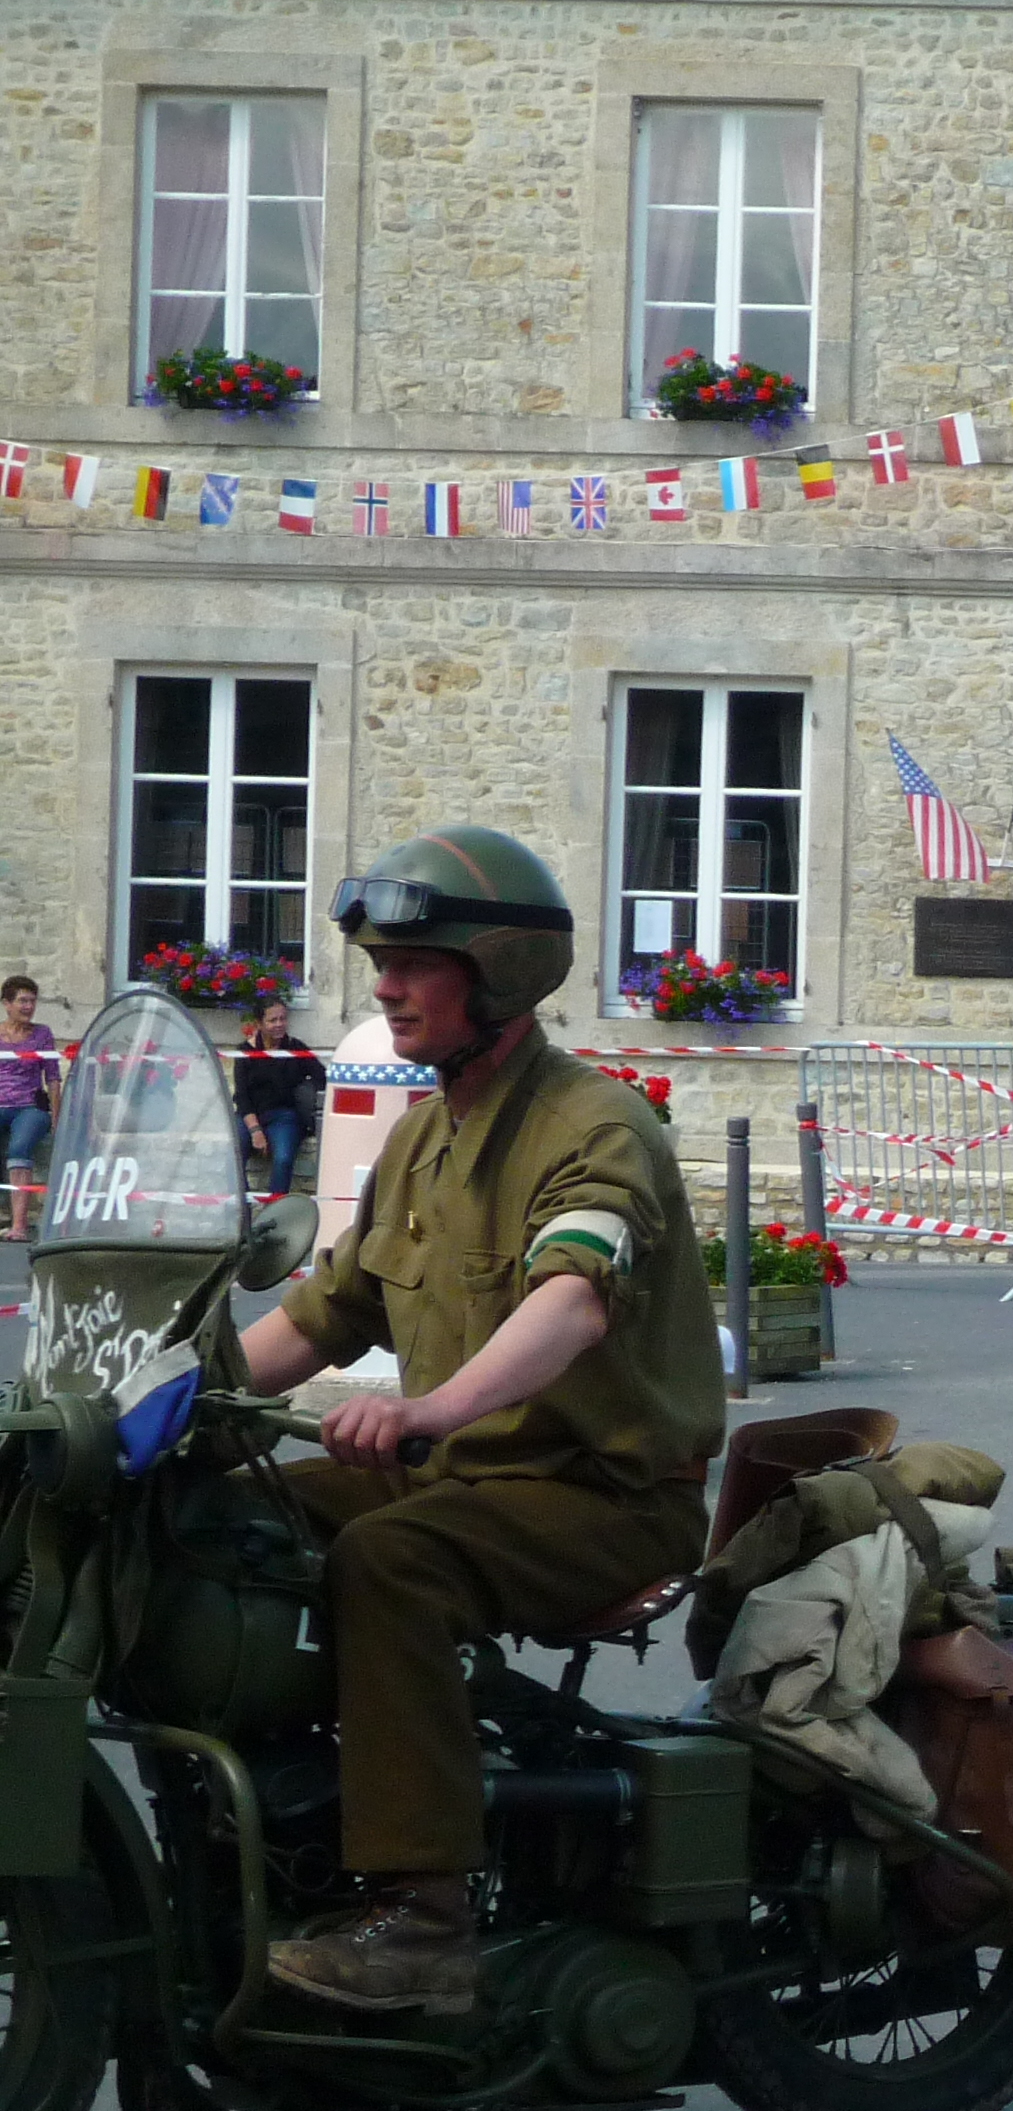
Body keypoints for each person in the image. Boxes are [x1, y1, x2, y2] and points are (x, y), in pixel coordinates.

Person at [233, 828, 724, 2010]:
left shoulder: (595, 1128)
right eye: (381, 963)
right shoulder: (423, 1138)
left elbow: (573, 1301)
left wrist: (430, 1407)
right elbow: (321, 1316)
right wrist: (147, 1397)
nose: (387, 987)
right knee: (229, 1518)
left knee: (390, 1562)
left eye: (415, 963)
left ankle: (424, 1917)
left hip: (600, 1495)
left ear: (497, 973)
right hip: (461, 1476)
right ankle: (280, 1818)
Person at [234, 997, 324, 1201]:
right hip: (249, 1115)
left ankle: (274, 1211)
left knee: (283, 1159)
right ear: (259, 1023)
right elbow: (242, 1096)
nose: (279, 1024)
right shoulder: (245, 1052)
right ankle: (242, 1207)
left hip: (284, 1116)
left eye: (283, 1019)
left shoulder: (295, 1048)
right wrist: (255, 1130)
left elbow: (322, 1077)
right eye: (272, 1020)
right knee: (232, 1155)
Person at [1, 975, 57, 1243]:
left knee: (20, 1147)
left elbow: (53, 1078)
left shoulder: (42, 1034)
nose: (28, 1007)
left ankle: (19, 1226)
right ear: (7, 1004)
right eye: (22, 1001)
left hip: (30, 1107)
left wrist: (56, 1117)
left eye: (32, 1001)